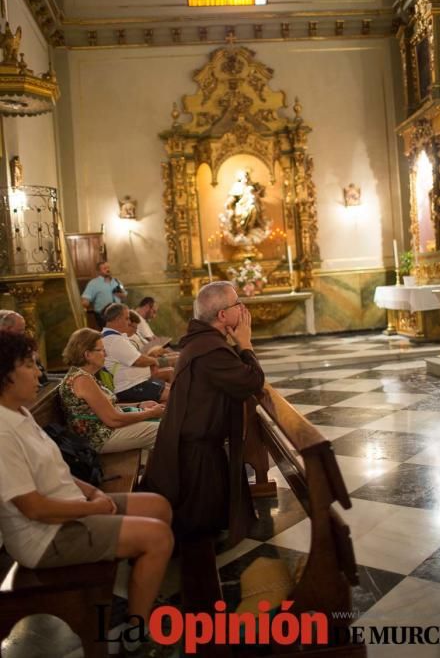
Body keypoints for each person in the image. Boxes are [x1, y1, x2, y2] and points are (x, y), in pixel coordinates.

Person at [0, 331, 173, 657]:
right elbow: (34, 509)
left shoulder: (20, 413)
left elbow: (54, 470)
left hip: (71, 505)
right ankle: (137, 632)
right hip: (44, 536)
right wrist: (92, 509)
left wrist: (92, 491)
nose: (38, 372)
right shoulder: (2, 431)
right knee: (158, 537)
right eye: (27, 365)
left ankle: (131, 592)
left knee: (158, 506)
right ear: (4, 375)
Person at [141, 281, 265, 540]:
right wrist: (246, 343)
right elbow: (252, 381)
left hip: (197, 445)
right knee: (197, 534)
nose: (242, 309)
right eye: (237, 303)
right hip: (195, 455)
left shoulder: (205, 342)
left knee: (206, 527)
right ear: (222, 315)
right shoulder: (211, 349)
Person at [60, 328, 164, 453]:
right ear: (87, 355)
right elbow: (113, 419)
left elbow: (108, 407)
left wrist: (139, 405)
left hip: (106, 430)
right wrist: (150, 413)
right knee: (163, 430)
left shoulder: (83, 375)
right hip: (98, 438)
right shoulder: (82, 380)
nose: (106, 354)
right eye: (102, 350)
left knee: (163, 425)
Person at [102, 304, 170, 404]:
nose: (129, 322)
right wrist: (154, 361)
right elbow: (138, 361)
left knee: (174, 389)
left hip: (138, 382)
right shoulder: (114, 340)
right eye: (127, 318)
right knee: (174, 395)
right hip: (130, 386)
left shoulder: (115, 337)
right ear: (117, 318)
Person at [0, 309, 48, 385]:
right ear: (6, 329)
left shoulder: (23, 346)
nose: (23, 334)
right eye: (20, 330)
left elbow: (42, 376)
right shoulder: (6, 352)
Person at [127, 311, 174, 383]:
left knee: (174, 354)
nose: (136, 330)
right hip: (142, 368)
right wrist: (153, 356)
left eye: (137, 328)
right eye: (134, 327)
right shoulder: (126, 339)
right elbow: (138, 359)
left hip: (148, 360)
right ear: (128, 324)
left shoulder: (133, 334)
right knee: (173, 366)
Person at [81, 261, 127, 327]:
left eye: (108, 268)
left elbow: (124, 295)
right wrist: (85, 302)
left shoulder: (117, 281)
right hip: (103, 316)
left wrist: (122, 295)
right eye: (105, 268)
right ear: (99, 271)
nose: (108, 270)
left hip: (118, 314)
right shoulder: (93, 283)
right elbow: (86, 298)